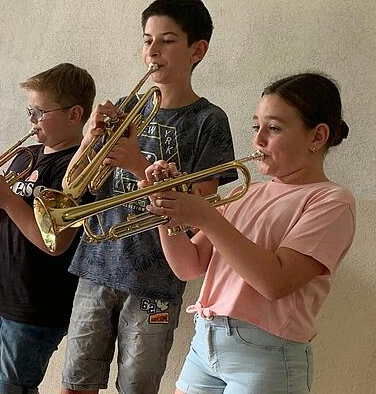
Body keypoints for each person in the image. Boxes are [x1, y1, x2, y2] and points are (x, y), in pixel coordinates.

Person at [61, 0, 237, 394]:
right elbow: (74, 188)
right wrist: (90, 138)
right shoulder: (127, 108)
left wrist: (140, 167)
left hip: (155, 277)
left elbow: (207, 208)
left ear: (198, 49)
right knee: (74, 384)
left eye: (166, 40)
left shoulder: (209, 120)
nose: (152, 51)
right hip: (96, 265)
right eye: (146, 40)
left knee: (137, 389)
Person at [143, 73, 354, 393]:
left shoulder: (331, 201)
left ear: (317, 136)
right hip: (205, 343)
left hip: (267, 356)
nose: (258, 141)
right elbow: (189, 266)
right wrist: (165, 212)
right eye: (257, 127)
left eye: (274, 128)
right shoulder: (246, 191)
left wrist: (209, 219)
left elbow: (275, 282)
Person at [0, 63, 96, 394]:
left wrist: (8, 199)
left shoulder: (77, 169)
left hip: (40, 301)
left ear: (74, 114)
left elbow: (57, 244)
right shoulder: (26, 157)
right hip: (8, 290)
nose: (31, 120)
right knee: (10, 384)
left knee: (13, 387)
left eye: (39, 112)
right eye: (30, 110)